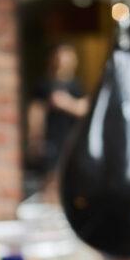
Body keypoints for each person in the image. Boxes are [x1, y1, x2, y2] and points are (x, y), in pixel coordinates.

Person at [26, 44, 89, 178]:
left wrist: (66, 103)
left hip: (72, 138)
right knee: (50, 176)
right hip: (51, 139)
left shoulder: (77, 85)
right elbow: (36, 112)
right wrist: (35, 139)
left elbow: (84, 108)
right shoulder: (44, 84)